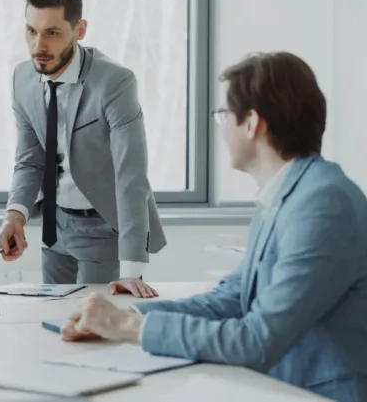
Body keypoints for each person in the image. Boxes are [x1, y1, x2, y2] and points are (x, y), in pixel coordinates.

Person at [62, 52, 367, 401]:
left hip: (316, 392)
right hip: (280, 384)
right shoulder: (289, 194)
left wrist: (129, 328)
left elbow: (256, 339)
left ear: (252, 123)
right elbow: (230, 299)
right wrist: (124, 314)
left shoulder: (323, 204)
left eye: (225, 115)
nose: (221, 128)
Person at [0, 0, 166, 295]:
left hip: (101, 227)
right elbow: (29, 159)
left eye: (53, 32)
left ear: (80, 29)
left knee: (96, 328)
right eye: (31, 31)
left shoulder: (114, 82)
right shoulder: (22, 77)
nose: (39, 46)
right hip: (54, 224)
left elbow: (130, 174)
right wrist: (15, 214)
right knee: (51, 323)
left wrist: (132, 270)